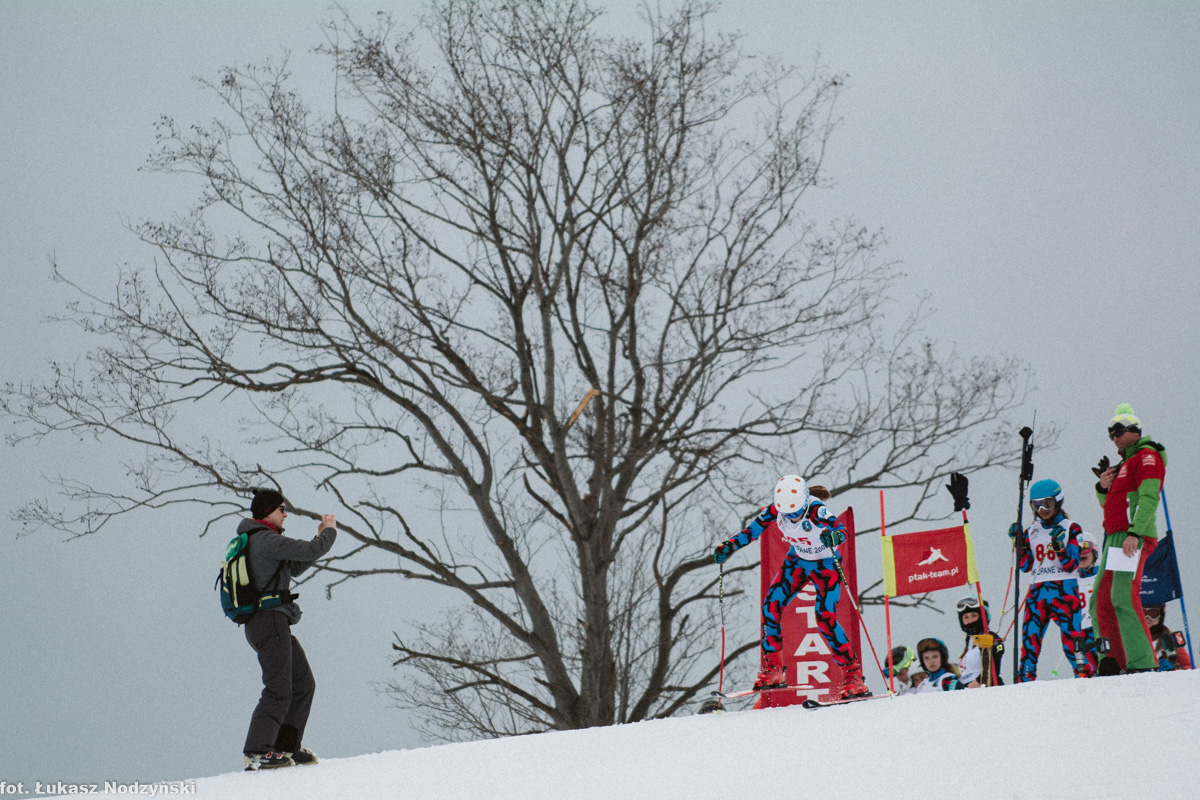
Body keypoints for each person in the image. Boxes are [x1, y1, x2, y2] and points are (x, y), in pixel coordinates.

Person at [713, 475, 869, 700]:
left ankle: (853, 676)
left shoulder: (816, 509)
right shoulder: (777, 509)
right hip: (797, 562)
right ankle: (773, 669)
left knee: (824, 617)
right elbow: (752, 531)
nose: (791, 517)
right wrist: (730, 546)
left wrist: (834, 536)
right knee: (770, 607)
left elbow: (841, 531)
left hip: (825, 565)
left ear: (804, 502)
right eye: (786, 513)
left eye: (795, 513)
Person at [239, 488, 338, 771]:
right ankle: (258, 751)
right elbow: (310, 550)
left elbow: (294, 567)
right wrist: (329, 532)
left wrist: (319, 540)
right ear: (267, 511)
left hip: (271, 622)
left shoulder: (261, 541)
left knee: (303, 683)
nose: (286, 514)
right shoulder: (265, 539)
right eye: (282, 509)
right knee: (279, 688)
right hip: (268, 620)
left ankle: (284, 746)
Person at [1093, 404, 1166, 674]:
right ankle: (1113, 660)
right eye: (1111, 434)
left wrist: (1135, 532)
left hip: (1132, 535)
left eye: (1120, 432)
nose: (1115, 438)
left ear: (1135, 431)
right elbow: (1112, 506)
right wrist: (1102, 487)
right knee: (1100, 601)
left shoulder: (1147, 456)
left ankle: (1142, 662)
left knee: (1123, 596)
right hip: (1115, 537)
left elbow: (1149, 497)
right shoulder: (1125, 463)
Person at [1008, 479, 1091, 680]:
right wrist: (1019, 543)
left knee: (1071, 639)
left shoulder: (1071, 528)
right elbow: (1026, 566)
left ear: (1058, 501)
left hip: (1064, 589)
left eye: (1047, 503)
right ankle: (1025, 679)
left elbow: (1072, 564)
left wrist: (1059, 547)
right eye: (1037, 505)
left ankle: (1085, 676)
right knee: (1030, 639)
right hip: (1038, 590)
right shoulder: (1031, 531)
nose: (1042, 509)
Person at [955, 596, 1004, 686]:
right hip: (967, 690)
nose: (970, 621)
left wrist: (975, 684)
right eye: (966, 617)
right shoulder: (970, 642)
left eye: (974, 616)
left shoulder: (989, 637)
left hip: (985, 690)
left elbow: (991, 670)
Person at [1074, 531, 1102, 674]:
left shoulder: (1101, 576)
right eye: (1077, 549)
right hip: (1080, 631)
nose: (1081, 552)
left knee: (1103, 663)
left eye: (1086, 547)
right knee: (1084, 668)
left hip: (1098, 628)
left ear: (1094, 552)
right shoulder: (1072, 580)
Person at [1145, 604, 1193, 671]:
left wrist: (1175, 669)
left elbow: (1190, 667)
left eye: (1152, 614)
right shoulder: (1131, 641)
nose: (1147, 618)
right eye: (1143, 613)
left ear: (1161, 615)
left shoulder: (1171, 640)